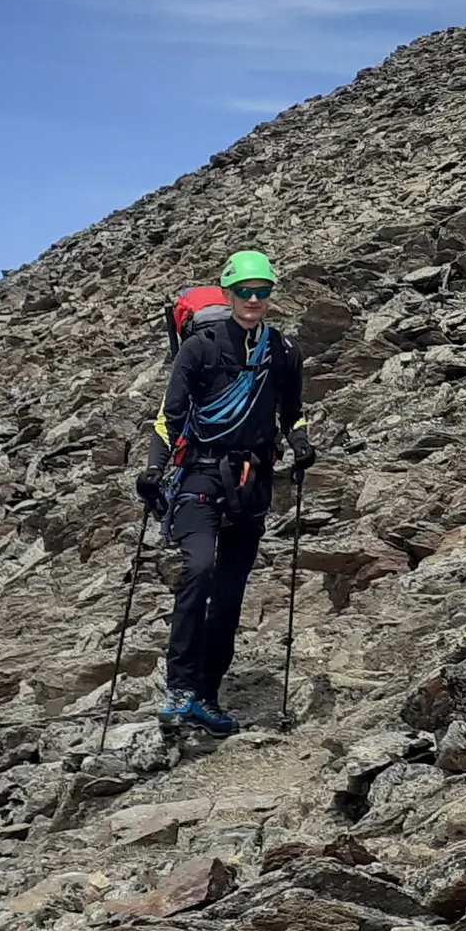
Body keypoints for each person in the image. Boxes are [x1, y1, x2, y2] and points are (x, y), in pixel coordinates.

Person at [135, 249, 313, 735]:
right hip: (200, 475)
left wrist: (299, 440)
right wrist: (153, 468)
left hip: (252, 482)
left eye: (262, 291)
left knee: (230, 594)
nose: (253, 299)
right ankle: (180, 688)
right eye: (244, 291)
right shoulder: (200, 349)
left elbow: (292, 409)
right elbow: (170, 416)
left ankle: (207, 696)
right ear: (229, 293)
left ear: (270, 294)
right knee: (199, 569)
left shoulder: (284, 350)